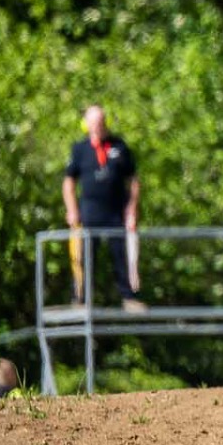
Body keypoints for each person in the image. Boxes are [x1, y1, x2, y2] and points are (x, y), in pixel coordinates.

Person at [62, 105, 147, 310]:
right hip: (89, 213)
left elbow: (133, 180)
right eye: (93, 123)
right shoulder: (80, 149)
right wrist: (72, 210)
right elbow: (68, 182)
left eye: (100, 122)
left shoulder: (119, 146)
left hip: (116, 212)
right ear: (86, 124)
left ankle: (129, 297)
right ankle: (81, 299)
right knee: (85, 257)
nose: (97, 127)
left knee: (122, 255)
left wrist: (132, 208)